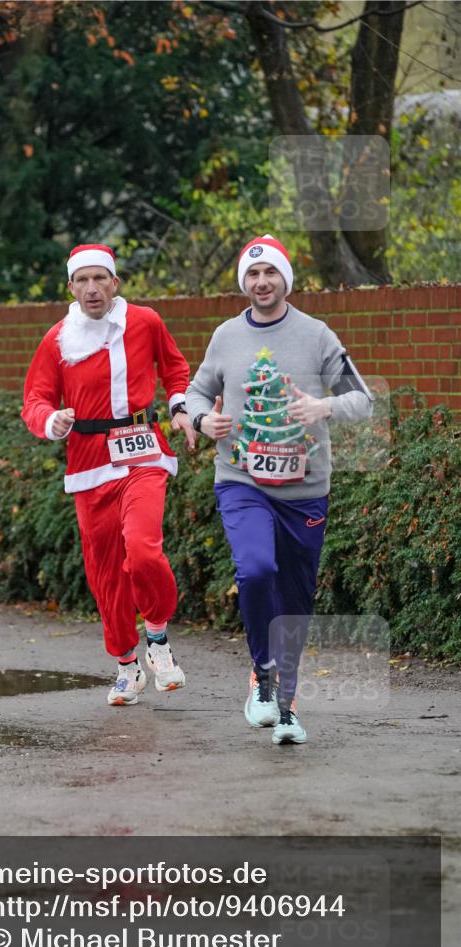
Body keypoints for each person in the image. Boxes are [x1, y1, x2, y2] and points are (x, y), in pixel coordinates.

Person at [186, 235, 372, 745]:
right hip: (241, 480)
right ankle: (262, 675)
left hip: (305, 489)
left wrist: (323, 406)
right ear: (243, 282)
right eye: (252, 274)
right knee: (256, 568)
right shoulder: (226, 336)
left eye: (270, 272)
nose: (261, 282)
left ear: (285, 279)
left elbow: (363, 399)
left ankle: (286, 707)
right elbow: (197, 391)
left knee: (294, 597)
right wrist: (202, 419)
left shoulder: (316, 335)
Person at [22, 244, 196, 707]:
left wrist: (180, 407)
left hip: (142, 450)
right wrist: (51, 420)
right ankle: (125, 665)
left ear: (115, 283)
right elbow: (34, 399)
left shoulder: (145, 322)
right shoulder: (57, 339)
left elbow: (175, 369)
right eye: (82, 280)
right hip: (88, 462)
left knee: (142, 549)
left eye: (100, 278)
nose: (92, 288)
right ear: (71, 287)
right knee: (104, 573)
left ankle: (157, 637)